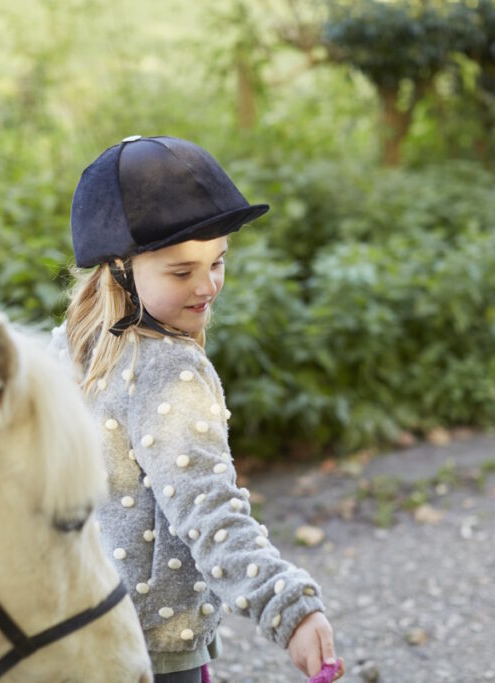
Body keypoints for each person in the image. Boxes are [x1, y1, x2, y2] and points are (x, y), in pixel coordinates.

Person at [49, 135, 344, 683]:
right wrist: (289, 608)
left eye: (218, 261)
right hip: (152, 654)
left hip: (77, 628)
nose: (207, 286)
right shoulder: (167, 372)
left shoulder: (72, 345)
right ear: (120, 269)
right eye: (181, 272)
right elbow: (209, 510)